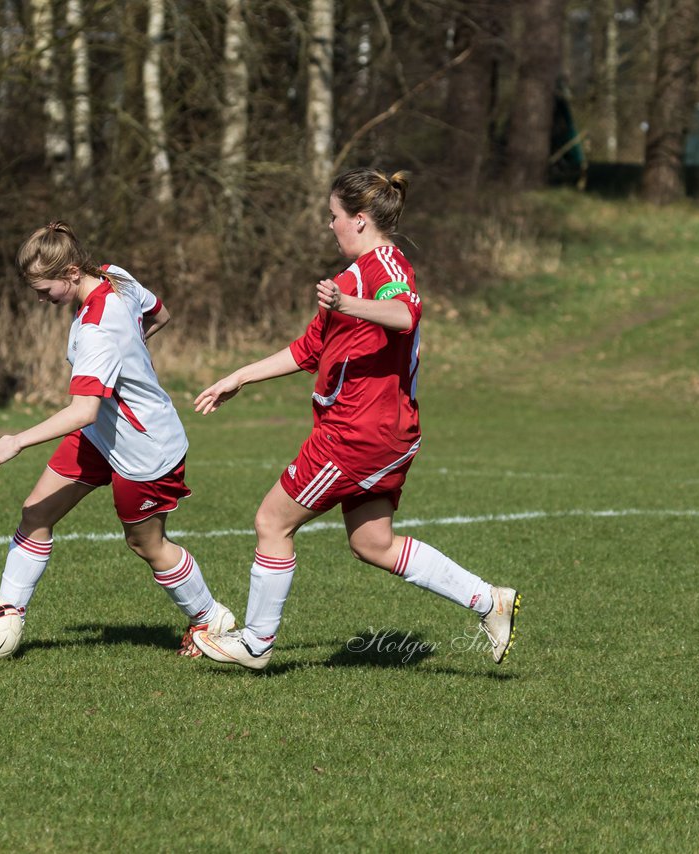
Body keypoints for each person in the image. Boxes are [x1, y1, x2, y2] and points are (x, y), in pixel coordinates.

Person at [188, 168, 520, 670]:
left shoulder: (383, 266)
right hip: (384, 433)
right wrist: (240, 376)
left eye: (335, 216)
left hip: (357, 434)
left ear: (360, 221)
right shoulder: (352, 276)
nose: (330, 226)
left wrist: (348, 303)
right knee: (373, 543)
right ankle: (488, 601)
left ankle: (255, 643)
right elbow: (308, 349)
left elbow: (406, 313)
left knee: (271, 522)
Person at [0, 221, 234, 656]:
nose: (40, 299)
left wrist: (17, 440)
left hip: (145, 447)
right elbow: (160, 314)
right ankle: (5, 622)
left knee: (146, 544)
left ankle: (209, 618)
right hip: (100, 435)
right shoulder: (115, 274)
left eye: (45, 289)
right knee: (35, 514)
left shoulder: (97, 328)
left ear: (72, 273)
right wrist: (131, 356)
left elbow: (82, 409)